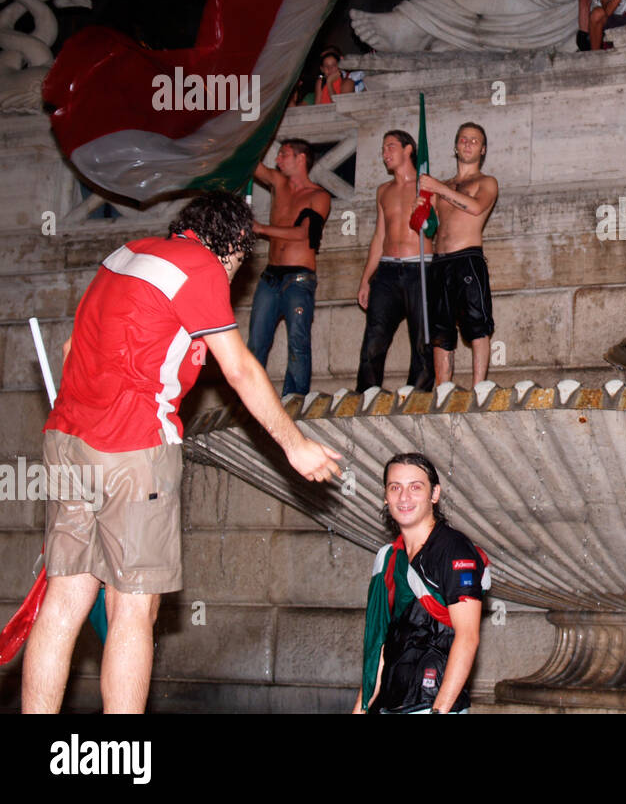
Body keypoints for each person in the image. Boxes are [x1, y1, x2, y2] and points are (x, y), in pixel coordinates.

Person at [23, 192, 341, 714]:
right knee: (133, 609)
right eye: (242, 260)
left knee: (64, 601)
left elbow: (67, 351)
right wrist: (295, 445)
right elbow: (239, 368)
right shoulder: (200, 266)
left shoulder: (126, 254)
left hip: (67, 438)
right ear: (236, 244)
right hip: (133, 444)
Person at [354, 453, 486, 714]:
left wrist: (440, 710)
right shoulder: (391, 558)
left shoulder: (453, 550)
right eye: (395, 487)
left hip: (431, 703)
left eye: (415, 487)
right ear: (385, 495)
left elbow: (468, 636)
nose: (404, 498)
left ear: (434, 494)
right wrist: (361, 707)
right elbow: (382, 645)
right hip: (392, 704)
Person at [416, 123, 499, 388]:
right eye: (463, 139)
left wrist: (438, 189)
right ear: (455, 146)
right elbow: (429, 227)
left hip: (467, 260)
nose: (468, 143)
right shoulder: (442, 186)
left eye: (475, 141)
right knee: (441, 332)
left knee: (477, 326)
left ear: (483, 150)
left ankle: (479, 388)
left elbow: (475, 208)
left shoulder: (486, 182)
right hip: (439, 262)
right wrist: (421, 210)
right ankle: (443, 389)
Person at [247, 138, 331, 396]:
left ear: (301, 158)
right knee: (256, 342)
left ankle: (294, 400)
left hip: (299, 278)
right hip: (270, 277)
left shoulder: (319, 196)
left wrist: (261, 228)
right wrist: (252, 129)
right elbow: (250, 163)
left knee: (298, 342)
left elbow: (303, 235)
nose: (278, 160)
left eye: (284, 154)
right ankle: (250, 398)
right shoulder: (278, 183)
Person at [356, 131, 437, 392]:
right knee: (374, 337)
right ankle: (366, 394)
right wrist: (366, 279)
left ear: (408, 150)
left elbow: (439, 228)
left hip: (420, 267)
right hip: (388, 270)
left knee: (422, 338)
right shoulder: (384, 191)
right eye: (383, 148)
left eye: (390, 146)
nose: (385, 153)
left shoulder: (428, 186)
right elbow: (379, 237)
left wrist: (425, 211)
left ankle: (418, 393)